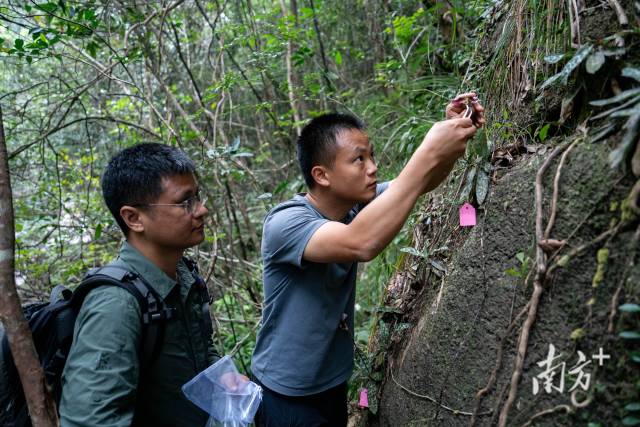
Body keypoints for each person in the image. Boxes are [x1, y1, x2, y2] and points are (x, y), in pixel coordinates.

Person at [251, 95, 484, 426]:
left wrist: (451, 136)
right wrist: (428, 150)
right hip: (287, 394)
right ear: (322, 175)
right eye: (359, 160)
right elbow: (361, 243)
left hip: (332, 382)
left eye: (371, 156)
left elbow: (419, 184)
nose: (373, 167)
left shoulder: (353, 206)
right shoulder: (285, 223)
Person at [59, 143, 217, 427]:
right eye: (185, 202)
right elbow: (91, 421)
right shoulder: (115, 305)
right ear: (134, 218)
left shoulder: (182, 275)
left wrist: (220, 377)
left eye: (197, 196)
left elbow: (199, 351)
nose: (202, 210)